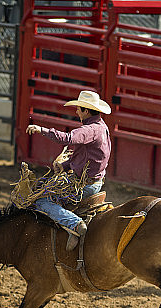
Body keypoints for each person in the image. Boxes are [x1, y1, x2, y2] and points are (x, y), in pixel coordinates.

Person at [26, 90, 112, 250]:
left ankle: (75, 224)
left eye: (79, 108)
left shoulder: (90, 130)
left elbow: (68, 138)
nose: (76, 111)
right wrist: (65, 166)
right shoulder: (101, 127)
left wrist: (41, 130)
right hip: (92, 181)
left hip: (84, 186)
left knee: (41, 200)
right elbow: (89, 157)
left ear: (86, 111)